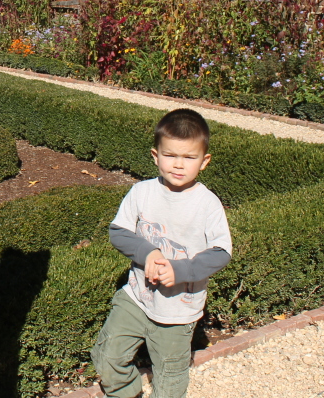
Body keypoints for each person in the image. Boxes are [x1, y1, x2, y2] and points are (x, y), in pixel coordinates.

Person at [92, 109, 232, 398]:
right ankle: (125, 392)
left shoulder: (207, 204)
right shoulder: (142, 192)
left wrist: (181, 270)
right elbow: (118, 231)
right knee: (107, 357)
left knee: (169, 378)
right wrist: (149, 252)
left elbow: (221, 252)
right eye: (170, 156)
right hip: (136, 297)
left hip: (178, 310)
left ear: (204, 161)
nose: (178, 165)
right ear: (156, 156)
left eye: (189, 157)